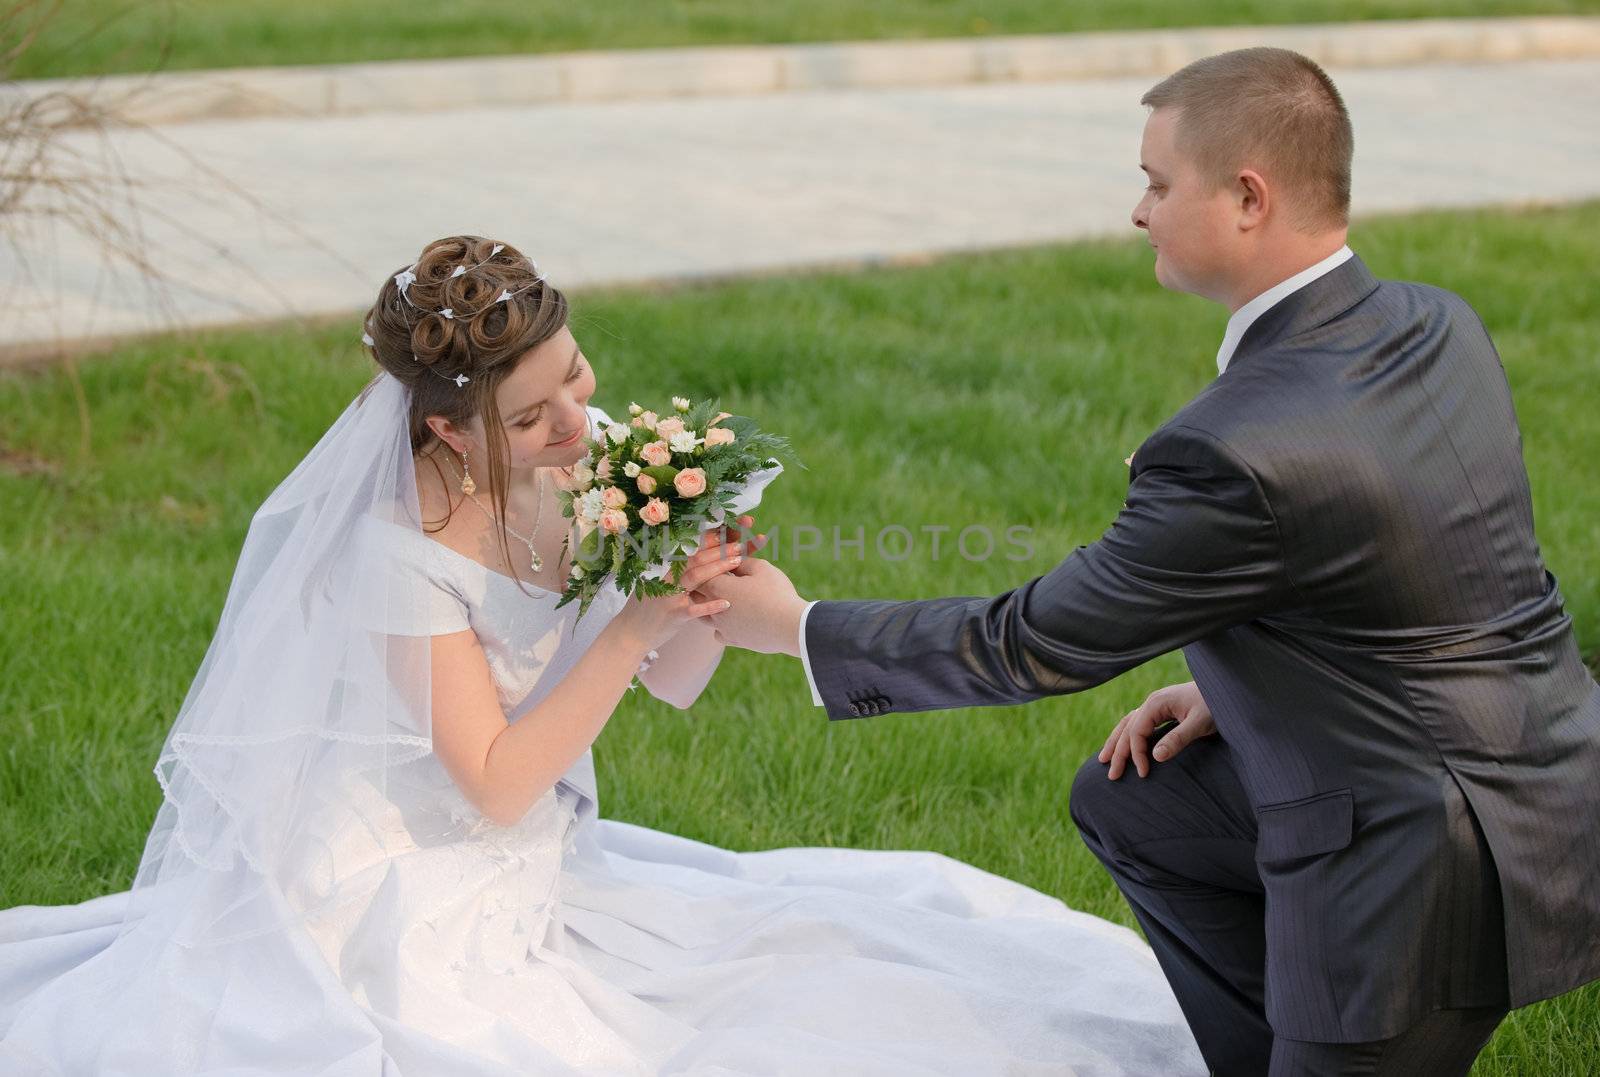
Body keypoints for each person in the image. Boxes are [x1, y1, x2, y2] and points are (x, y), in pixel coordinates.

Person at [0, 235, 1205, 1074]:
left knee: (853, 952)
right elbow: (497, 779)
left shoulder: (596, 457)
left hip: (539, 851)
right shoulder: (396, 551)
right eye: (529, 418)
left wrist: (694, 599)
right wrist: (631, 617)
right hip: (404, 873)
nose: (575, 424)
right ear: (444, 427)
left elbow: (668, 690)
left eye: (575, 378)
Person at [703, 47, 1600, 1076]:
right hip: (1557, 782)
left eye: (1157, 183)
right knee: (1135, 798)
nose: (1138, 212)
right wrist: (1242, 687)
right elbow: (1435, 562)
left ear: (1247, 198)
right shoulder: (1433, 323)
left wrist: (796, 627)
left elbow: (1032, 641)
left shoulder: (1233, 449)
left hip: (1419, 880)